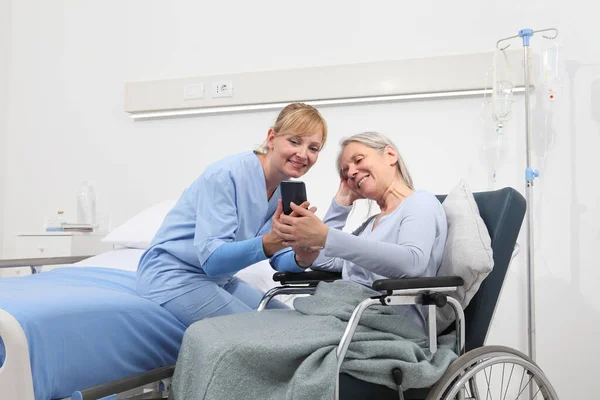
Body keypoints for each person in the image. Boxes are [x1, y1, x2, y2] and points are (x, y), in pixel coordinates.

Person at [136, 103, 328, 327]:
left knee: (297, 326)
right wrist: (269, 242)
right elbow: (213, 260)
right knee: (267, 333)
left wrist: (301, 257)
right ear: (272, 138)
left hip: (221, 280)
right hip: (172, 276)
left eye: (313, 148)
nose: (303, 154)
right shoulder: (226, 175)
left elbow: (277, 258)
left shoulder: (285, 190)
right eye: (294, 141)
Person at [271, 131, 448, 329]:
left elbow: (413, 262)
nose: (352, 173)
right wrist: (341, 203)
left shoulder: (419, 202)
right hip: (349, 315)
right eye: (346, 172)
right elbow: (324, 259)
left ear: (390, 155)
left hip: (385, 322)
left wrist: (326, 236)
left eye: (358, 160)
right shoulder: (372, 223)